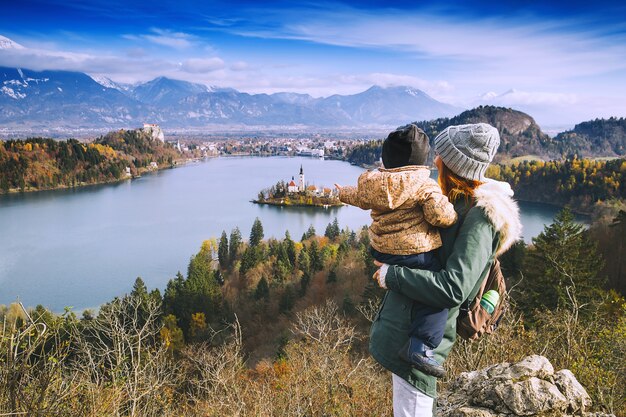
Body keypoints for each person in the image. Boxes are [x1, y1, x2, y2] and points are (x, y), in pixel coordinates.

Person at [369, 123, 522, 417]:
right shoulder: (454, 202)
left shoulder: (479, 218)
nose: (435, 159)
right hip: (407, 331)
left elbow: (455, 287)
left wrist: (393, 275)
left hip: (419, 342)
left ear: (453, 164)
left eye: (441, 154)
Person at [335, 123, 457, 378]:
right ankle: (420, 346)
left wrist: (343, 194)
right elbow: (439, 216)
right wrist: (453, 216)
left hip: (381, 251)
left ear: (387, 158)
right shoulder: (425, 185)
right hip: (413, 253)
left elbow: (360, 197)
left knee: (419, 285)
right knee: (437, 292)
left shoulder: (376, 184)